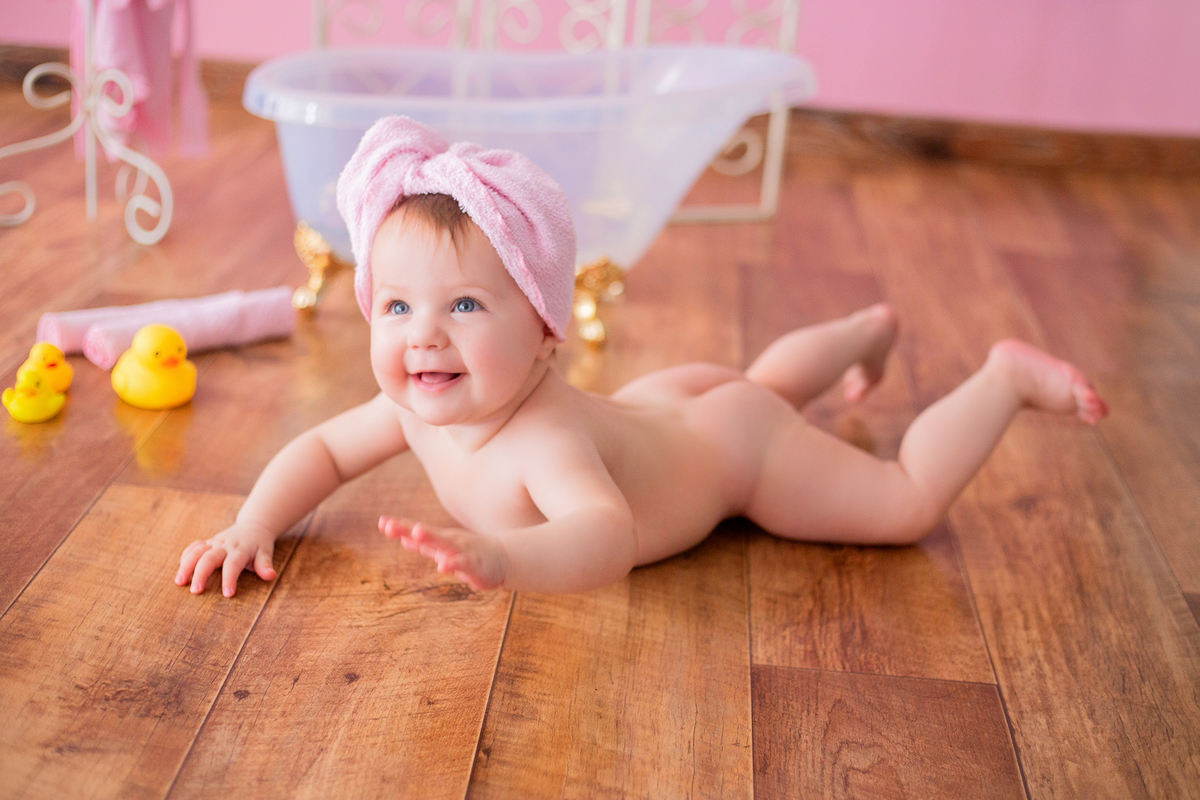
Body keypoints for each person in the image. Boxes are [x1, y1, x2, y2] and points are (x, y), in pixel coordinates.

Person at [175, 116, 1108, 598]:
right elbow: (325, 454)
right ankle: (867, 331)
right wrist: (253, 524)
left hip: (736, 457)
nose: (424, 333)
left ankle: (1004, 378)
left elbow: (606, 536)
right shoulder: (422, 404)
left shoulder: (542, 442)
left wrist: (507, 557)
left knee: (899, 499)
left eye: (465, 304)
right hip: (670, 411)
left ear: (546, 332)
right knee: (765, 385)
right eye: (396, 305)